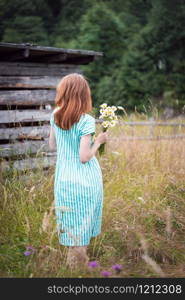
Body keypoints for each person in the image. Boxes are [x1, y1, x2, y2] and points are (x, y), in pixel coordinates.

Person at [49, 73, 108, 268]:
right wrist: (98, 142)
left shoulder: (55, 114)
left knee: (71, 229)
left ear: (64, 92)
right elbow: (84, 157)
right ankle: (77, 275)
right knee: (81, 232)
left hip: (63, 179)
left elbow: (52, 145)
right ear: (84, 94)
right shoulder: (86, 121)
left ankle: (73, 271)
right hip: (85, 180)